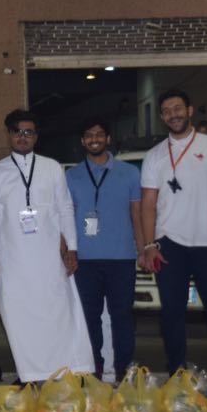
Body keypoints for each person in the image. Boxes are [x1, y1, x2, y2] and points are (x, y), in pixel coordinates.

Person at [0, 110, 94, 382]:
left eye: (28, 132)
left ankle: (61, 371)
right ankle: (29, 373)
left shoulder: (51, 167)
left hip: (48, 258)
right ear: (9, 135)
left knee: (55, 314)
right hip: (12, 259)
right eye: (18, 132)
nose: (23, 137)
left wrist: (73, 248)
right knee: (19, 318)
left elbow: (65, 209)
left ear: (36, 136)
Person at [140, 89, 207, 382]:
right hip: (169, 244)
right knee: (171, 314)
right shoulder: (155, 155)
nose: (174, 114)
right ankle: (176, 376)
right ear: (162, 117)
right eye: (167, 111)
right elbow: (148, 203)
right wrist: (149, 245)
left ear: (190, 110)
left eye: (178, 108)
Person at [64, 119, 144, 382]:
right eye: (89, 135)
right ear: (82, 141)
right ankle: (93, 371)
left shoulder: (130, 173)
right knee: (89, 318)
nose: (94, 139)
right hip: (84, 260)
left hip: (122, 257)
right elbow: (65, 217)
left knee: (123, 317)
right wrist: (67, 251)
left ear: (108, 138)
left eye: (99, 134)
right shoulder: (71, 176)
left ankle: (125, 371)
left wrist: (143, 249)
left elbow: (137, 214)